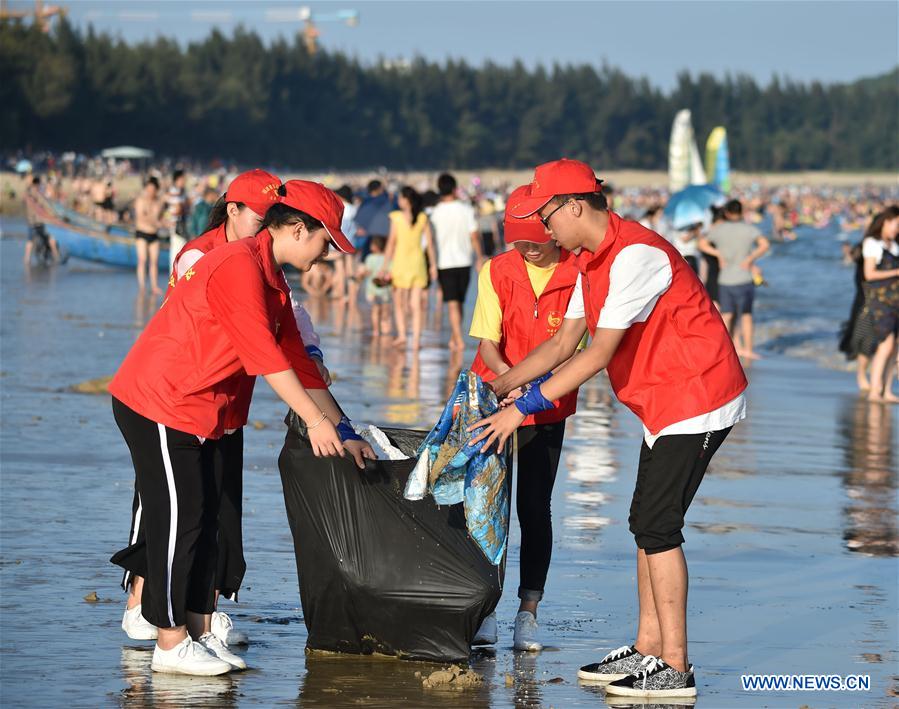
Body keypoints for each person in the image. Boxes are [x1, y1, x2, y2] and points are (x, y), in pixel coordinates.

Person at [469, 159, 747, 699]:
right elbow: (559, 344)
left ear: (575, 206)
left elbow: (596, 353)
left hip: (698, 396)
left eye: (547, 215)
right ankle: (647, 648)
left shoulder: (636, 255)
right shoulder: (590, 261)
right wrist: (499, 387)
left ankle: (676, 667)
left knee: (657, 528)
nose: (544, 228)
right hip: (661, 403)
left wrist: (521, 408)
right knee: (645, 523)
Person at [109, 180, 375, 676]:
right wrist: (315, 422)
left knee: (208, 518)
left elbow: (301, 363)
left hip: (205, 408)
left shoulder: (273, 278)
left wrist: (345, 430)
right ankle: (169, 643)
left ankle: (198, 632)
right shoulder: (239, 265)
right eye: (326, 242)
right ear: (298, 229)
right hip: (162, 400)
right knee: (179, 520)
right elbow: (265, 358)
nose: (327, 255)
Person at [121, 169, 294, 648]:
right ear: (232, 210)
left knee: (217, 510)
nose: (266, 226)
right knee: (168, 512)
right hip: (178, 401)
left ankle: (203, 614)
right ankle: (141, 604)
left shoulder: (266, 263)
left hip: (226, 406)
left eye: (273, 218)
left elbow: (289, 319)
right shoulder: (202, 254)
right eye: (260, 217)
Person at [468, 185, 582, 652]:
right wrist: (508, 383)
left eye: (534, 240)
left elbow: (574, 347)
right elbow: (487, 342)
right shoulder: (496, 269)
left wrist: (532, 391)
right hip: (494, 397)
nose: (527, 248)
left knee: (534, 507)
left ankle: (527, 612)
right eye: (517, 240)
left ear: (554, 230)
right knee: (486, 505)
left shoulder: (578, 272)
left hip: (548, 403)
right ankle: (484, 611)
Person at [699, 199, 770, 359]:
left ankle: (723, 348)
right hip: (744, 277)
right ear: (742, 212)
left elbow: (702, 244)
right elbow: (765, 244)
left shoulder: (719, 230)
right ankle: (748, 350)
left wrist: (718, 254)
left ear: (727, 213)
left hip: (725, 279)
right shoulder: (749, 229)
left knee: (727, 315)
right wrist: (750, 258)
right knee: (746, 315)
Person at [430, 173, 484, 350]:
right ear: (454, 189)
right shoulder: (466, 210)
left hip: (444, 262)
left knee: (453, 303)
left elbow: (430, 240)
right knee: (459, 302)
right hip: (464, 261)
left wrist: (431, 263)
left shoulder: (435, 213)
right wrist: (479, 257)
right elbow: (474, 236)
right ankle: (456, 337)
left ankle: (457, 338)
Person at [851, 206, 899, 402]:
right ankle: (874, 390)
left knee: (894, 348)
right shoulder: (872, 243)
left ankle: (886, 390)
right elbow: (869, 274)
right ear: (886, 222)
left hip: (895, 302)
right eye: (896, 224)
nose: (897, 229)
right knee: (884, 346)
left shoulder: (894, 245)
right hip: (879, 303)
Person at [381, 186, 437, 349]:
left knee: (399, 302)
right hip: (418, 264)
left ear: (407, 200)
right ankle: (416, 340)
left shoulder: (396, 217)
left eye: (400, 198)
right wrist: (433, 265)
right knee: (416, 304)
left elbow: (391, 243)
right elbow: (430, 244)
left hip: (400, 263)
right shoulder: (422, 217)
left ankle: (402, 335)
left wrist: (384, 266)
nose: (398, 201)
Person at [133, 177, 164, 295]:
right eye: (149, 189)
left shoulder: (158, 202)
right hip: (142, 233)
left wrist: (164, 222)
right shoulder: (140, 201)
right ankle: (142, 286)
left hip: (154, 234)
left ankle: (154, 286)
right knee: (142, 259)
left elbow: (160, 217)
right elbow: (140, 216)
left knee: (154, 261)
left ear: (156, 190)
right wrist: (155, 221)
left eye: (153, 190)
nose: (150, 192)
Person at [22, 176, 60, 265]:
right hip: (39, 222)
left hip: (31, 222)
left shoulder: (27, 193)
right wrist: (54, 216)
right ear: (38, 184)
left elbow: (23, 201)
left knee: (30, 241)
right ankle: (56, 256)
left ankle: (26, 259)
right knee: (50, 238)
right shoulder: (39, 194)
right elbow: (45, 206)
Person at [359, 236, 392, 335]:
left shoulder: (370, 258)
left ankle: (376, 330)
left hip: (372, 289)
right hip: (385, 290)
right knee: (385, 311)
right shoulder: (388, 258)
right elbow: (391, 273)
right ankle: (385, 329)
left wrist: (361, 275)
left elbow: (367, 271)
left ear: (375, 247)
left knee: (375, 310)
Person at [165, 169, 190, 258]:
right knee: (177, 250)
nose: (184, 181)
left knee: (181, 249)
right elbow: (177, 209)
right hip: (176, 225)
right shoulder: (173, 191)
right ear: (177, 179)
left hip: (181, 224)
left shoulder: (181, 192)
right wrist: (183, 207)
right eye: (183, 179)